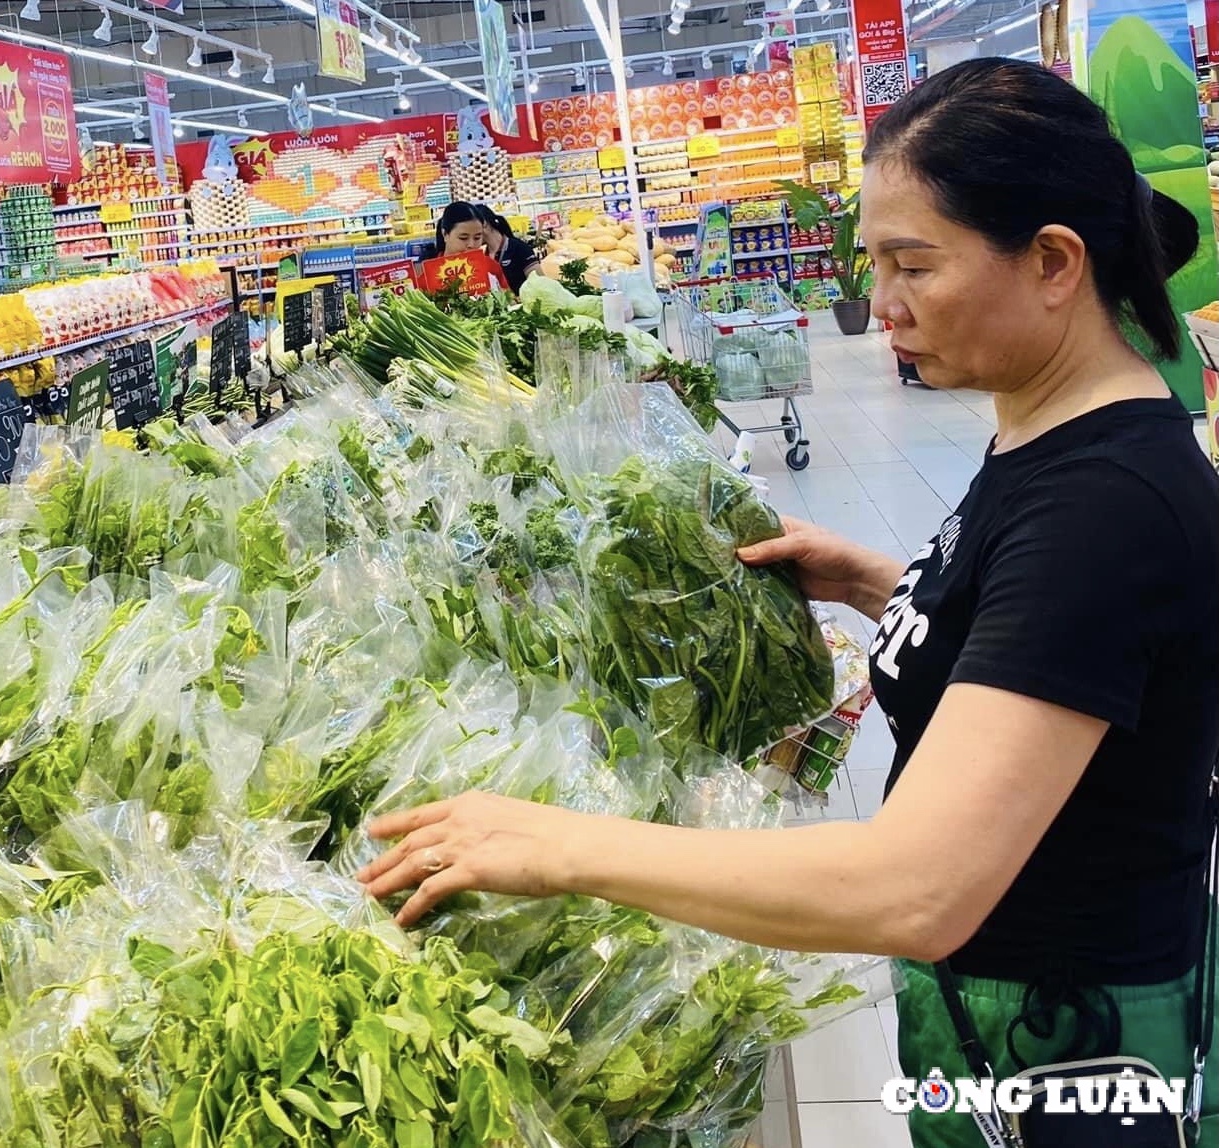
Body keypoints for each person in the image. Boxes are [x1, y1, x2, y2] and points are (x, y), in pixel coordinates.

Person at [359, 58, 1219, 1146]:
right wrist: (875, 579)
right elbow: (1048, 646)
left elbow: (912, 887)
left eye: (912, 266)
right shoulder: (1049, 428)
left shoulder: (1105, 507)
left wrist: (559, 844)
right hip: (1010, 1016)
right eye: (870, 264)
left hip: (1070, 1054)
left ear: (1053, 260)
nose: (881, 306)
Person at [475, 205, 542, 293]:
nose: (471, 240)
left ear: (484, 224)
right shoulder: (485, 255)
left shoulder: (519, 248)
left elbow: (540, 283)